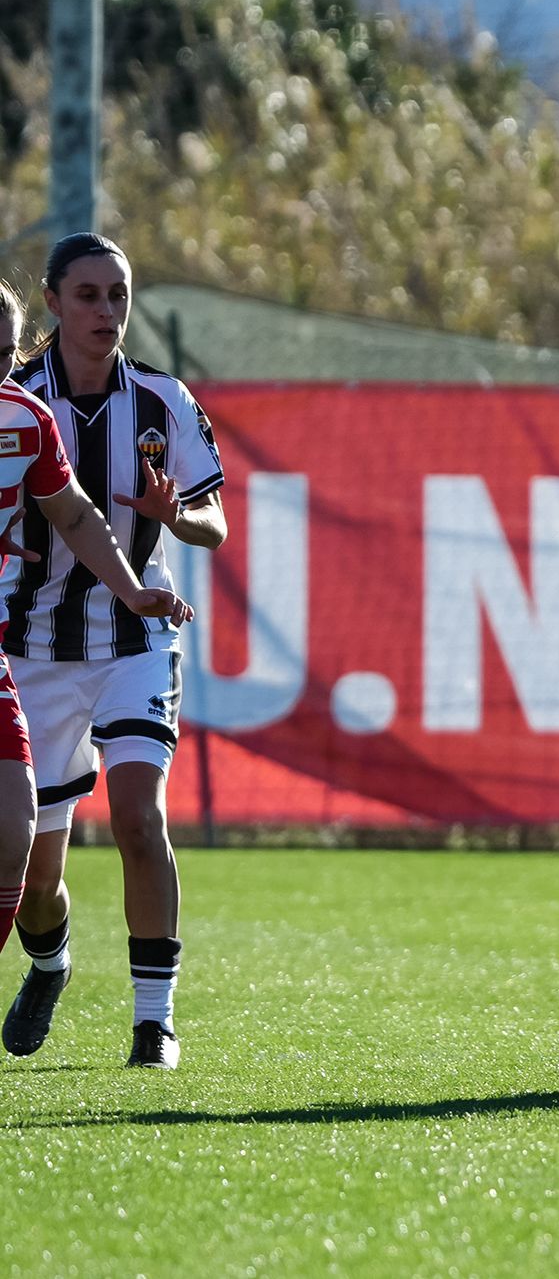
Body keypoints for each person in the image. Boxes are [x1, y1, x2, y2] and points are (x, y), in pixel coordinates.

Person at [1, 235, 227, 1071]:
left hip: (135, 636)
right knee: (28, 873)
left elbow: (214, 521)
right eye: (88, 295)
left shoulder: (163, 400)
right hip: (31, 648)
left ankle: (154, 1022)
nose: (107, 312)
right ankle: (51, 963)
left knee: (139, 815)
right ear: (53, 303)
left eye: (119, 295)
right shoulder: (18, 401)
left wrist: (178, 519)